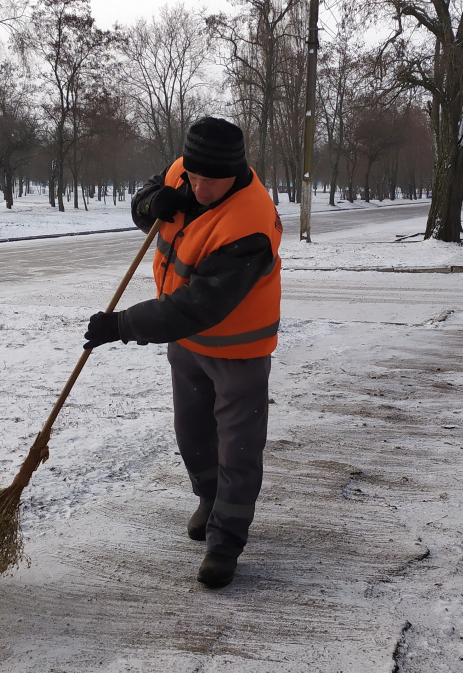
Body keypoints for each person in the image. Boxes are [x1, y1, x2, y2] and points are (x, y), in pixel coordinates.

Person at [83, 117, 282, 588]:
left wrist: (123, 325)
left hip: (239, 350)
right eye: (191, 177)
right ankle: (208, 499)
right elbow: (145, 202)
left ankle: (226, 543)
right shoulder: (184, 172)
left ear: (234, 172)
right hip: (186, 345)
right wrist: (154, 201)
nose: (196, 186)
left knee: (237, 448)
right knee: (191, 432)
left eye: (207, 180)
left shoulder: (249, 224)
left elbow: (201, 305)